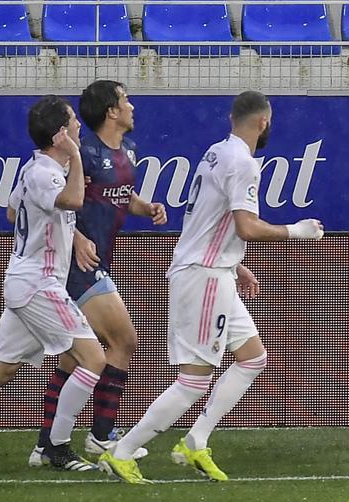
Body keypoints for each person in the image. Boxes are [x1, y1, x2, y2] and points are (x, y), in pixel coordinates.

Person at [99, 91, 324, 484]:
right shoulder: (243, 163)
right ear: (263, 122)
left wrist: (236, 264)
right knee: (194, 380)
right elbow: (246, 227)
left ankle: (196, 440)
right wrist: (296, 231)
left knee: (252, 357)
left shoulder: (217, 152)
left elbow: (208, 220)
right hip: (204, 276)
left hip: (214, 270)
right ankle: (121, 451)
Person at [0, 96, 104, 472]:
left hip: (25, 282)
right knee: (94, 358)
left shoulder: (36, 169)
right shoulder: (47, 172)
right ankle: (56, 447)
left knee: (1, 369)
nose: (79, 126)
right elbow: (73, 200)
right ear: (61, 134)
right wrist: (75, 158)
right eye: (73, 122)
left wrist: (72, 235)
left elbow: (13, 211)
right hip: (39, 285)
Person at [30, 81, 165, 467]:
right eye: (125, 100)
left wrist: (146, 208)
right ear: (111, 111)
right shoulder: (84, 153)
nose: (132, 106)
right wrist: (76, 239)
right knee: (124, 340)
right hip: (80, 267)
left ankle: (45, 445)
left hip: (98, 261)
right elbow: (54, 203)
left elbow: (120, 196)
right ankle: (101, 435)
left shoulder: (129, 150)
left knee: (74, 359)